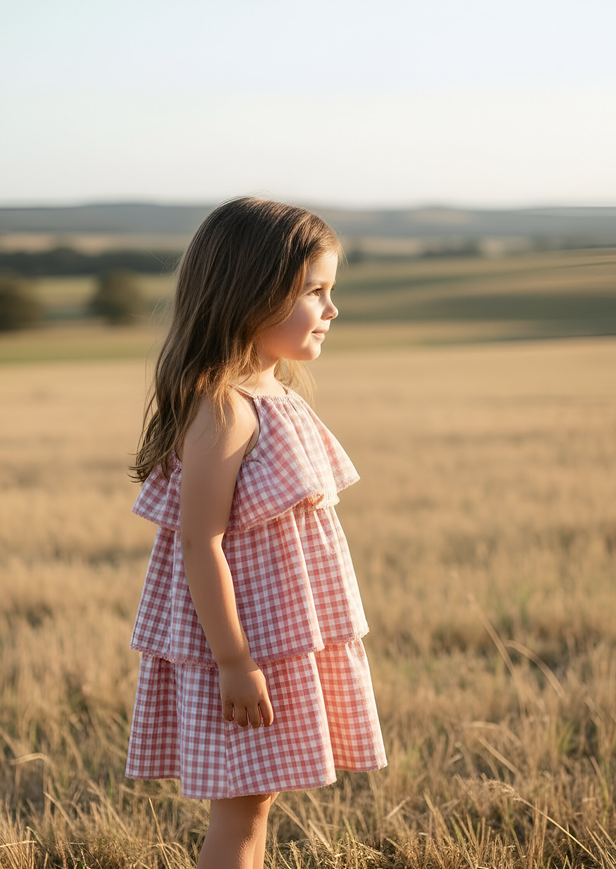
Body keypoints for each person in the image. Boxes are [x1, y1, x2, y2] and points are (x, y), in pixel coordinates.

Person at [126, 197, 386, 868]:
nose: (332, 309)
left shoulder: (277, 394)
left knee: (256, 802)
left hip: (278, 637)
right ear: (252, 294)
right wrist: (234, 664)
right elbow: (199, 542)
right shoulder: (227, 410)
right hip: (244, 646)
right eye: (315, 292)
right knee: (241, 811)